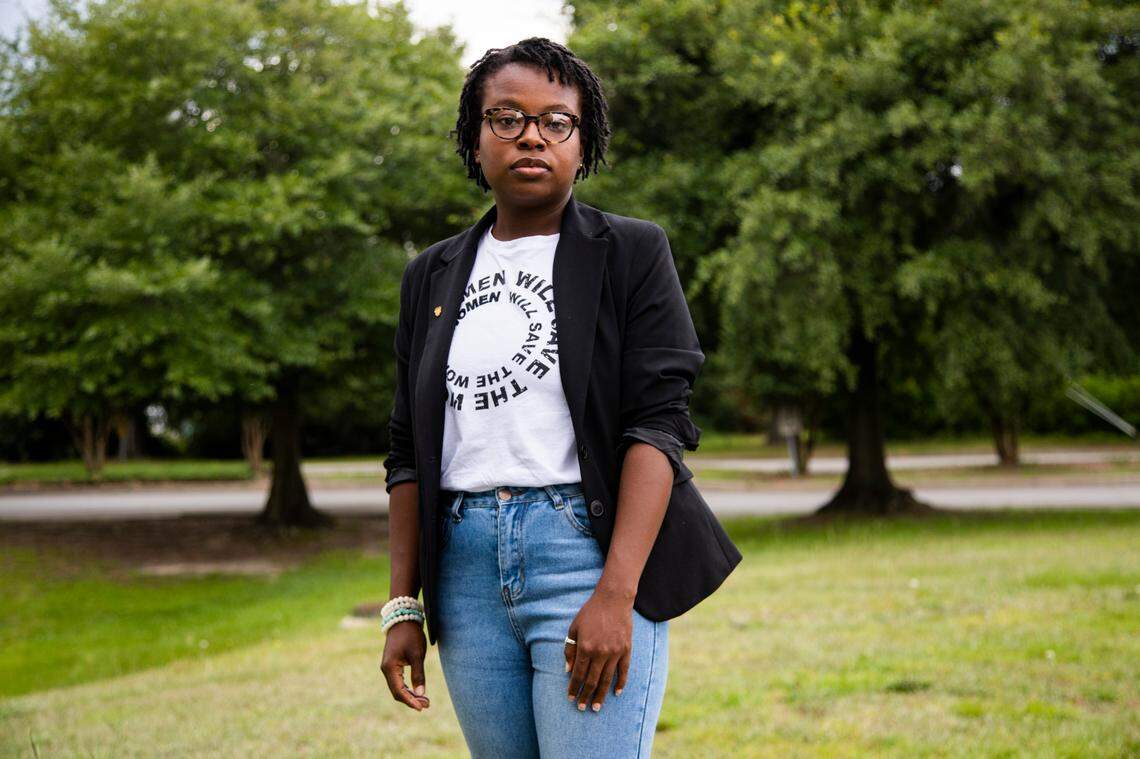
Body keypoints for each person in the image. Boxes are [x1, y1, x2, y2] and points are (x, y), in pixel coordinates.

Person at [380, 37, 742, 758]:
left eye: (557, 122)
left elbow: (658, 427)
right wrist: (404, 605)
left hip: (584, 553)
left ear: (585, 143)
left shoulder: (631, 253)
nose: (532, 137)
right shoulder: (431, 275)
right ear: (474, 139)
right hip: (465, 574)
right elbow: (406, 450)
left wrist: (617, 592)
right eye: (506, 118)